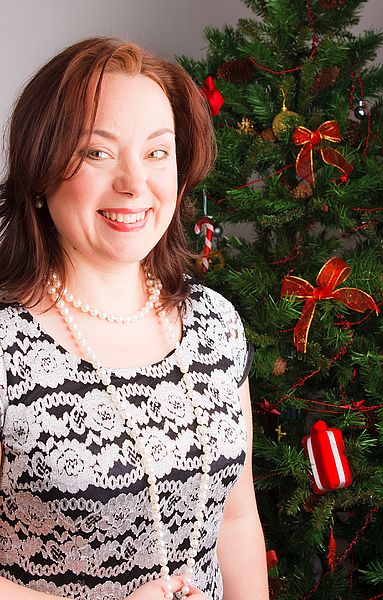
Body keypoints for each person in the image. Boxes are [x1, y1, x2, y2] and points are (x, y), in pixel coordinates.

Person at [0, 36, 269, 600]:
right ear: (41, 167)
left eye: (157, 152)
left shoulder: (214, 324)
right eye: (97, 152)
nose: (134, 183)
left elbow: (237, 518)